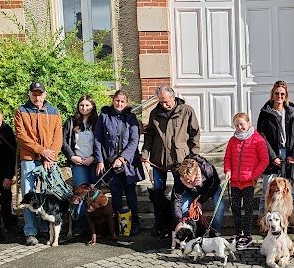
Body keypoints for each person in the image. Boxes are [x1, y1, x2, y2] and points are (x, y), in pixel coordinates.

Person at [141, 86, 200, 233]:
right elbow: (149, 134)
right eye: (161, 102)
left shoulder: (186, 110)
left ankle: (179, 225)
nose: (163, 104)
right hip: (158, 159)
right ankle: (159, 225)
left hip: (180, 159)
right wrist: (145, 152)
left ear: (173, 97)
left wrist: (194, 155)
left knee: (178, 194)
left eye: (166, 101)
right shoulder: (155, 113)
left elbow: (195, 133)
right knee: (157, 194)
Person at [14, 81, 63, 246]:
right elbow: (21, 136)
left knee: (48, 194)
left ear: (45, 94)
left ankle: (45, 228)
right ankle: (30, 231)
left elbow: (58, 137)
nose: (37, 97)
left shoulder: (54, 112)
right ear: (29, 94)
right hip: (29, 158)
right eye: (34, 94)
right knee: (29, 195)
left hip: (48, 160)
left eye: (40, 94)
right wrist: (42, 151)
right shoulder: (21, 111)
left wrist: (51, 156)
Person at [95, 90, 145, 234]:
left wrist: (122, 158)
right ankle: (116, 223)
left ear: (126, 103)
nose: (119, 104)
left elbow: (134, 140)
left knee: (130, 194)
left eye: (122, 101)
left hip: (128, 163)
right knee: (116, 194)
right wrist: (100, 160)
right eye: (117, 100)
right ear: (113, 100)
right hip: (110, 162)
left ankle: (134, 221)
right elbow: (98, 139)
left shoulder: (131, 117)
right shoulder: (104, 116)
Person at [256, 80, 294, 214]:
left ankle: (293, 219)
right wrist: (272, 156)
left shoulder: (293, 112)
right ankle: (263, 220)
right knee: (268, 188)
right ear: (272, 94)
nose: (279, 96)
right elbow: (262, 136)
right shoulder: (265, 112)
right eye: (277, 93)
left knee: (289, 189)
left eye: (282, 93)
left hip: (289, 153)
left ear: (286, 95)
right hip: (272, 153)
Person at [224, 112, 269, 250]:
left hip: (248, 182)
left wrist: (253, 176)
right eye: (237, 125)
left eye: (242, 124)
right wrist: (228, 171)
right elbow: (227, 158)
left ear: (248, 123)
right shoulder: (233, 140)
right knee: (236, 208)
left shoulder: (257, 139)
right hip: (235, 182)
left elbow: (264, 160)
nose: (239, 127)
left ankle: (247, 235)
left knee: (248, 209)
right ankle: (238, 234)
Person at [62, 95, 98, 236]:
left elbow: (102, 141)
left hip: (93, 162)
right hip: (78, 162)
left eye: (87, 105)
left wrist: (94, 157)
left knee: (93, 195)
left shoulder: (98, 122)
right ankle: (79, 225)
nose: (84, 108)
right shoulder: (71, 122)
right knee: (79, 194)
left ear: (92, 107)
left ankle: (94, 227)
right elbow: (63, 141)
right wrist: (72, 156)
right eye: (82, 105)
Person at [172, 154, 226, 235]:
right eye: (186, 180)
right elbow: (176, 199)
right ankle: (188, 231)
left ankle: (215, 231)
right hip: (191, 191)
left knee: (220, 207)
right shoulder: (179, 175)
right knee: (182, 207)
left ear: (196, 172)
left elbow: (214, 186)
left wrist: (200, 201)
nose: (188, 182)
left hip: (210, 188)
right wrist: (179, 220)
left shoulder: (208, 169)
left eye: (190, 180)